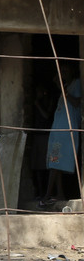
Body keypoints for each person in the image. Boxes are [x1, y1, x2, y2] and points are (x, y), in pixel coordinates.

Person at [41, 64, 82, 207]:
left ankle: (47, 194)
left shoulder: (76, 84)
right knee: (54, 162)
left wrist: (63, 90)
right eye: (62, 70)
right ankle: (59, 193)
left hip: (66, 130)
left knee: (55, 161)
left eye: (66, 69)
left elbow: (76, 103)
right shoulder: (66, 86)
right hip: (58, 129)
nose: (63, 73)